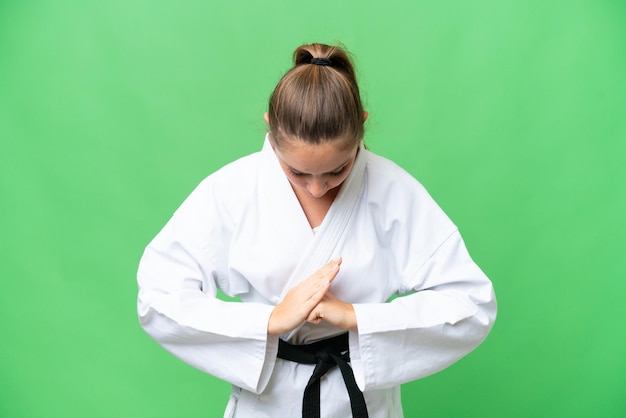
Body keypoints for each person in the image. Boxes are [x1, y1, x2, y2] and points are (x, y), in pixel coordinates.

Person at [137, 42, 497, 418]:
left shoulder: (393, 191)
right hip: (267, 404)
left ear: (362, 125)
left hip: (360, 400)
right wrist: (271, 321)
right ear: (270, 130)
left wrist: (355, 317)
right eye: (297, 172)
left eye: (337, 171)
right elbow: (157, 298)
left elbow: (472, 304)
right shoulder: (232, 191)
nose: (317, 187)